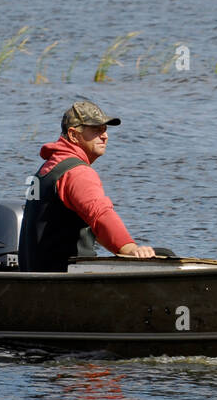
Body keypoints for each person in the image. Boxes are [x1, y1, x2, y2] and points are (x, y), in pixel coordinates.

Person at [18, 100, 155, 272]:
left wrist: (118, 248)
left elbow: (91, 225)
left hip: (35, 276)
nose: (104, 136)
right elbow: (100, 214)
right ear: (74, 135)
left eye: (105, 130)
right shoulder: (77, 172)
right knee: (164, 254)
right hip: (65, 279)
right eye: (96, 130)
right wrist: (130, 248)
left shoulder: (46, 170)